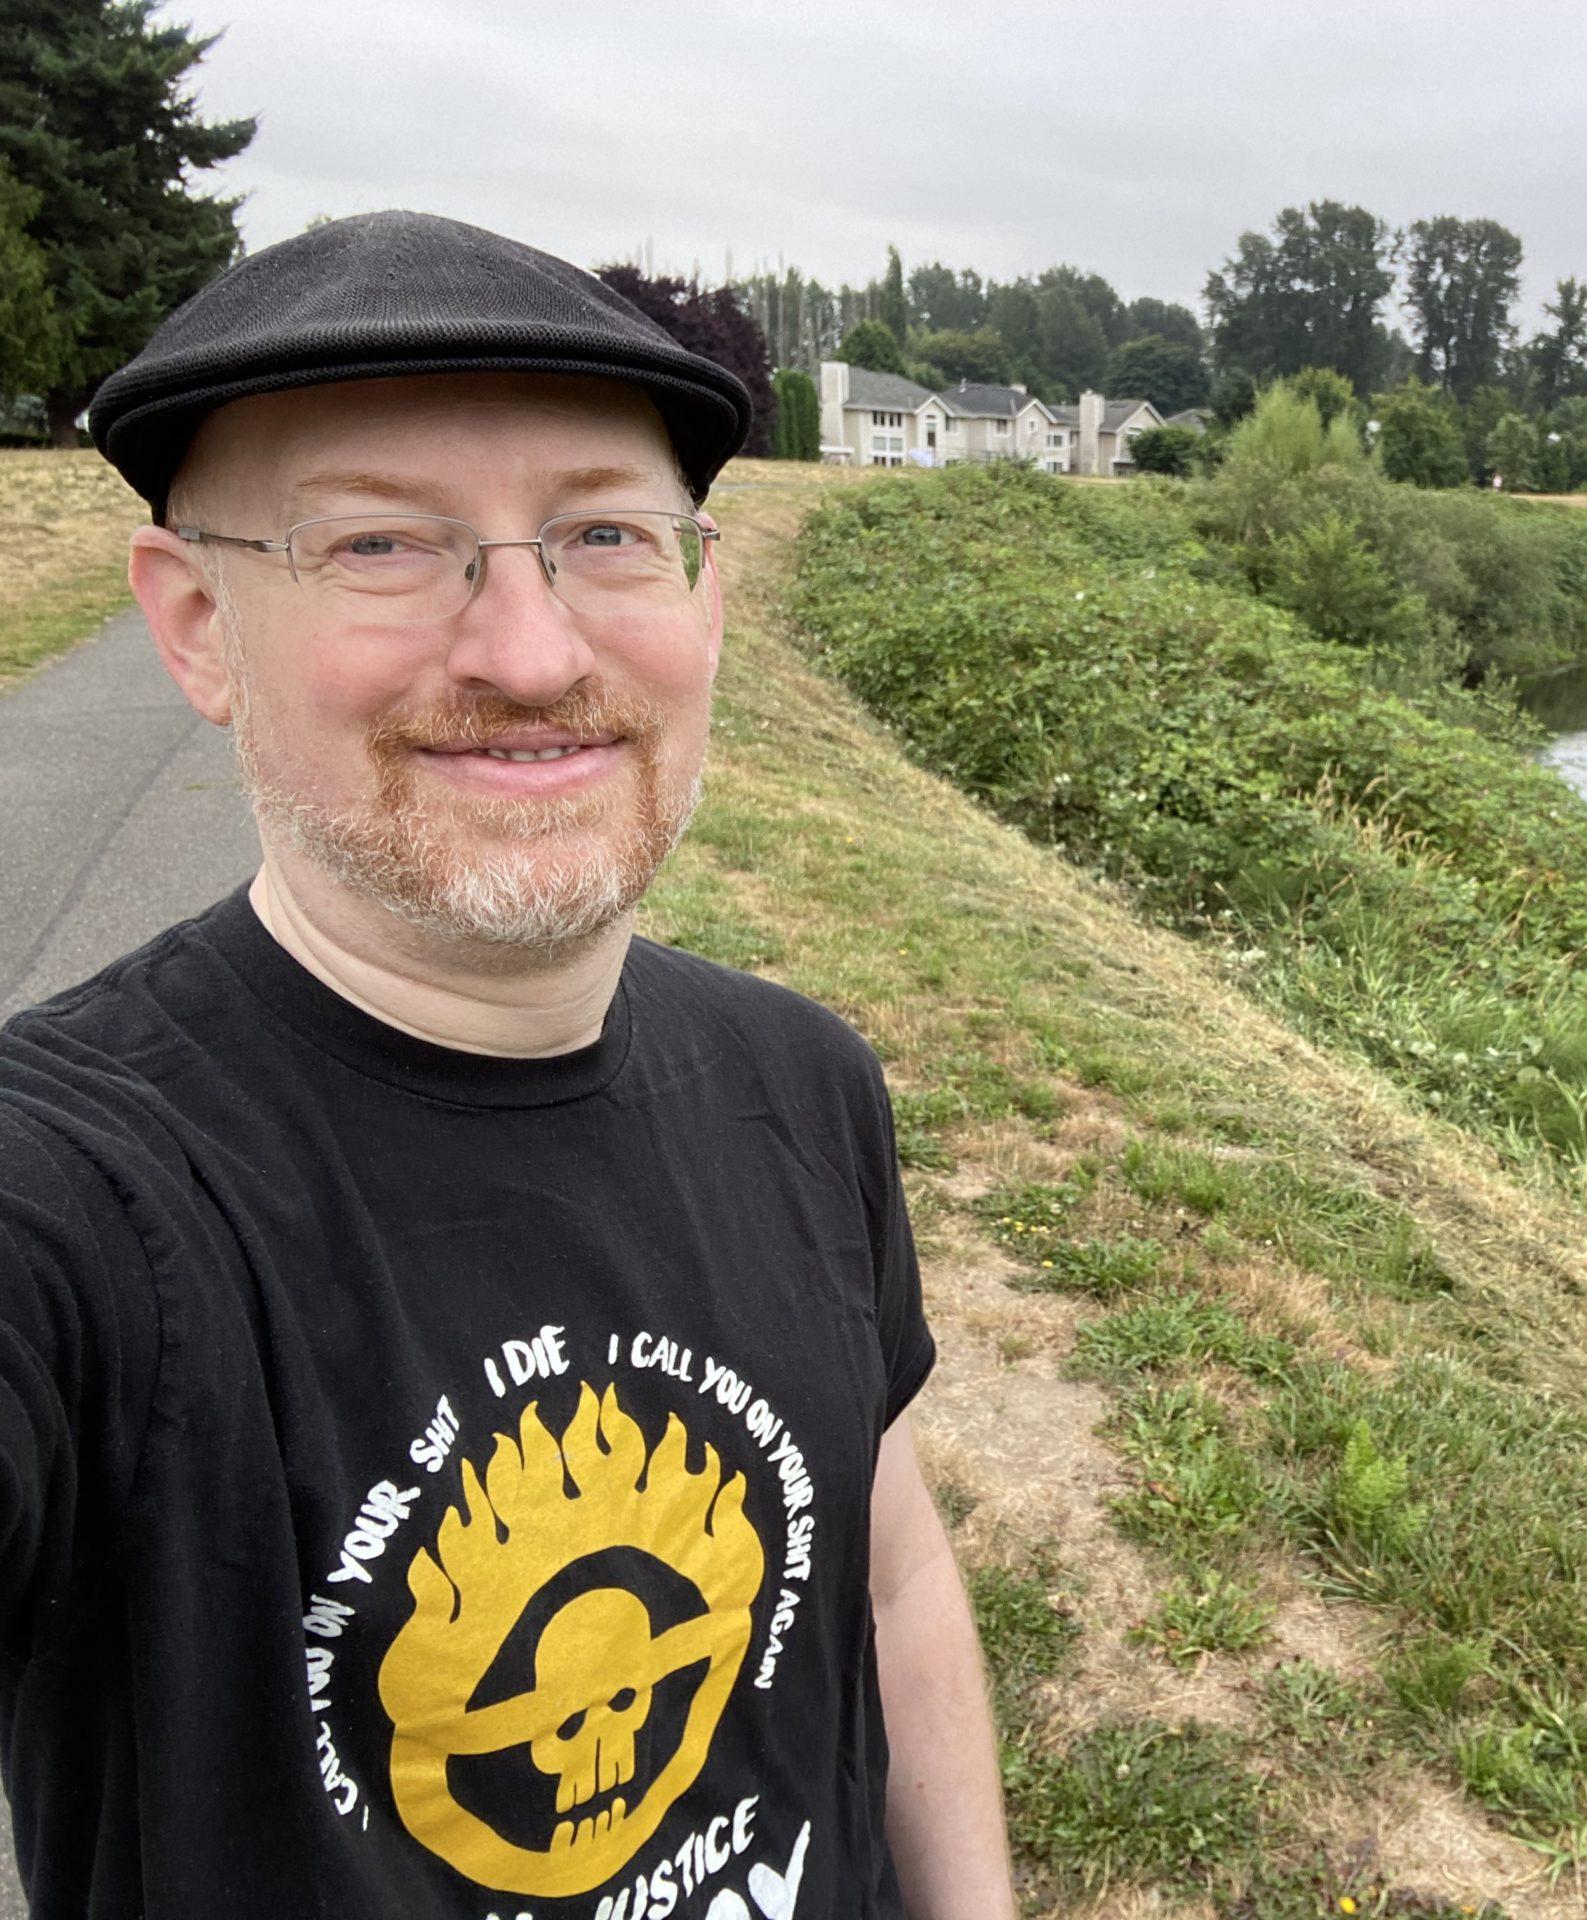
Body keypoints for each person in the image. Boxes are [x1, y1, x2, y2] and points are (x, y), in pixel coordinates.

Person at [0, 211, 1013, 1918]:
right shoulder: (76, 1196)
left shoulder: (805, 1083)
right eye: (384, 546)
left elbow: (887, 1569)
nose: (533, 655)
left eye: (604, 534)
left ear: (705, 593)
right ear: (195, 624)